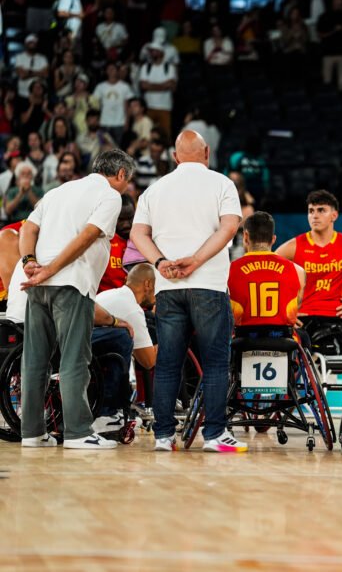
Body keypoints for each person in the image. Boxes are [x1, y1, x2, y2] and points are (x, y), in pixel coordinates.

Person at [130, 130, 244, 453]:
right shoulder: (223, 184)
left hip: (168, 287)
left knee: (167, 362)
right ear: (207, 152)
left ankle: (164, 437)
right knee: (215, 363)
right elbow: (230, 227)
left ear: (175, 157)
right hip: (207, 284)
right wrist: (196, 260)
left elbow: (138, 233)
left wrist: (160, 261)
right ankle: (215, 435)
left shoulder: (155, 189)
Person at [18, 148, 133, 450]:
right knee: (74, 359)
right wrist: (52, 269)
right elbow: (87, 236)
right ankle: (79, 432)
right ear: (120, 174)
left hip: (37, 285)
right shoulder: (109, 196)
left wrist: (30, 261)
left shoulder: (59, 191)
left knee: (34, 360)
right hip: (70, 284)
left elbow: (28, 227)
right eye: (127, 180)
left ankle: (31, 432)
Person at [274, 190, 342, 338]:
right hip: (303, 318)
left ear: (334, 215)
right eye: (311, 211)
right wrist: (285, 312)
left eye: (321, 210)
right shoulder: (292, 247)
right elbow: (267, 277)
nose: (315, 215)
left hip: (338, 318)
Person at [91, 263, 158, 434]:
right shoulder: (132, 309)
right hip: (92, 355)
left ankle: (109, 410)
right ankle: (107, 413)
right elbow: (148, 361)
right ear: (148, 284)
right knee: (123, 339)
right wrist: (172, 338)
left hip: (80, 349)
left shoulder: (109, 294)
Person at [229, 211, 305, 328]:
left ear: (245, 236)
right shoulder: (298, 271)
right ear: (273, 239)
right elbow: (294, 312)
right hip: (282, 341)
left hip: (242, 340)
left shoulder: (229, 270)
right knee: (305, 337)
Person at [99, 194, 135, 292]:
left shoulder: (143, 240)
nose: (127, 224)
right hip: (106, 301)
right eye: (121, 220)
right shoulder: (103, 241)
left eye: (130, 218)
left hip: (138, 303)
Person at [139, 44, 178, 135]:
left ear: (161, 52)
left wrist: (151, 86)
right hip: (149, 106)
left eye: (155, 51)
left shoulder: (169, 67)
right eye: (151, 51)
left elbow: (171, 85)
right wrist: (163, 86)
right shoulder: (146, 67)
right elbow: (143, 86)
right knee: (147, 133)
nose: (153, 53)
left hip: (165, 106)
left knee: (165, 133)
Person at [93, 63, 134, 145]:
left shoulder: (125, 86)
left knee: (119, 148)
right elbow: (97, 106)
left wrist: (127, 121)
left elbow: (127, 106)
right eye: (109, 69)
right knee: (104, 147)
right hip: (104, 122)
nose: (111, 71)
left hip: (120, 123)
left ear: (117, 71)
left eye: (113, 69)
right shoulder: (100, 87)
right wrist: (97, 121)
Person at [317, 0, 342, 92]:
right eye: (338, 3)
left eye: (341, 4)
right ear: (333, 3)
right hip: (328, 54)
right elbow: (320, 34)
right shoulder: (324, 17)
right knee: (327, 82)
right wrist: (334, 31)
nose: (339, 5)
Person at [14, 35, 49, 102]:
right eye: (30, 42)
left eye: (34, 42)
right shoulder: (19, 57)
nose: (32, 44)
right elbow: (22, 75)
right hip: (24, 93)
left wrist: (29, 72)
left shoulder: (43, 58)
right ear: (26, 44)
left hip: (40, 95)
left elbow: (46, 74)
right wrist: (39, 73)